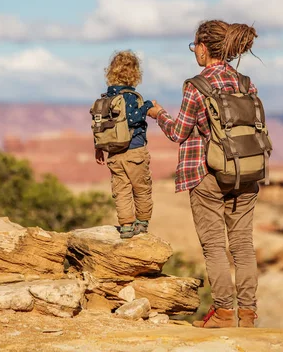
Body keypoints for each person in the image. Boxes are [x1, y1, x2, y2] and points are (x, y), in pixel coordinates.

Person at [147, 20, 261, 328]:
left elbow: (178, 133)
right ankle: (247, 315)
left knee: (214, 246)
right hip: (246, 172)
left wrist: (160, 115)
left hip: (206, 173)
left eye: (193, 46)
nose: (193, 52)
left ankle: (224, 314)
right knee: (242, 246)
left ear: (202, 48)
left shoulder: (196, 85)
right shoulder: (246, 83)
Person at [95, 50, 154, 239]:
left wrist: (98, 149)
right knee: (141, 187)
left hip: (113, 153)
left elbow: (99, 126)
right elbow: (133, 118)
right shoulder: (129, 97)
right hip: (134, 150)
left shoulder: (106, 98)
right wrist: (148, 106)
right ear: (135, 73)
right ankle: (142, 223)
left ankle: (126, 225)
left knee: (121, 191)